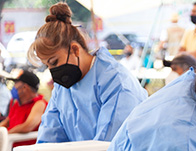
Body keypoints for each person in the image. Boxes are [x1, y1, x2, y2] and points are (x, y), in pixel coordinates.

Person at [28, 3, 147, 143]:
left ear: (75, 49)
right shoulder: (62, 88)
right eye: (47, 65)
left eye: (54, 62)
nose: (52, 71)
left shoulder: (115, 82)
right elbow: (48, 138)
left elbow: (107, 148)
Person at [0, 71, 47, 145]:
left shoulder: (40, 104)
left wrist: (7, 135)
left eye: (16, 83)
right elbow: (7, 122)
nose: (14, 87)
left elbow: (28, 126)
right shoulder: (17, 104)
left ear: (25, 87)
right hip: (10, 146)